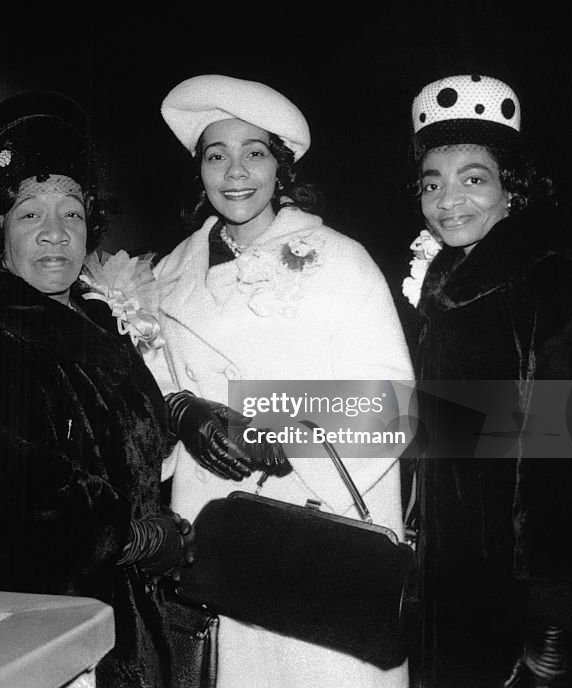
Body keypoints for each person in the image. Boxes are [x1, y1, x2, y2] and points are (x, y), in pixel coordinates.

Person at [145, 74, 414, 688]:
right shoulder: (167, 274)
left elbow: (393, 400)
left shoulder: (341, 261)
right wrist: (181, 409)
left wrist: (285, 436)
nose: (235, 172)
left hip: (320, 525)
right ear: (199, 171)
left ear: (280, 168)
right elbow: (147, 384)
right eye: (217, 156)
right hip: (218, 525)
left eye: (254, 153)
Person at [0, 90, 192, 688]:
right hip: (55, 624)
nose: (55, 234)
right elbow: (23, 487)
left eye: (72, 213)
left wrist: (184, 412)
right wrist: (134, 535)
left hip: (127, 606)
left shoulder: (96, 316)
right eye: (31, 213)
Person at [406, 73, 572, 687]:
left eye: (473, 179)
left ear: (513, 189)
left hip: (518, 601)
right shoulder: (453, 281)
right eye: (433, 183)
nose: (448, 199)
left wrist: (552, 635)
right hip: (454, 578)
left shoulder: (552, 282)